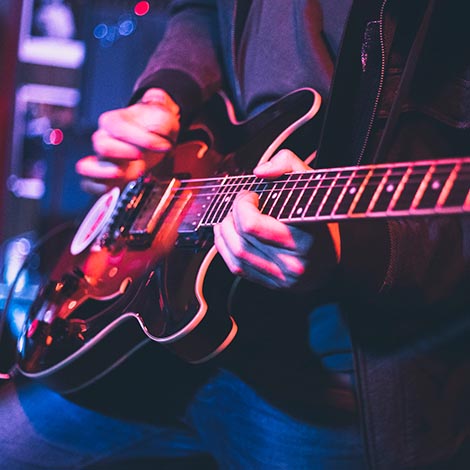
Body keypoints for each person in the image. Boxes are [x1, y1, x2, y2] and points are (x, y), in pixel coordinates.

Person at [1, 0, 470, 468]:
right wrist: (163, 96)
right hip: (159, 322)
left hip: (324, 378)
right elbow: (201, 10)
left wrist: (348, 250)